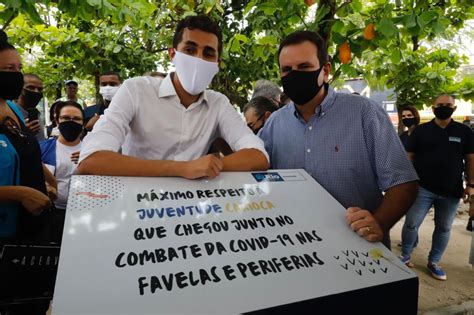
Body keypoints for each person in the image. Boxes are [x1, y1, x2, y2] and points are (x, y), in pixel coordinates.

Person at [259, 30, 419, 248]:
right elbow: (253, 171)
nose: (294, 75)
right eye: (287, 70)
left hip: (359, 248)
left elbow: (403, 182)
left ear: (325, 70)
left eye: (304, 67)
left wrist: (379, 222)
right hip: (296, 246)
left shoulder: (365, 113)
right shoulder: (275, 124)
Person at [77, 15, 268, 178]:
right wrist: (183, 168)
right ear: (172, 54)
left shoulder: (218, 103)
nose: (198, 59)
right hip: (135, 206)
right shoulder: (135, 90)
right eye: (190, 50)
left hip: (191, 209)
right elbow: (91, 160)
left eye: (208, 53)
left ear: (218, 63)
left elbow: (258, 156)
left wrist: (214, 164)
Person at [0, 29, 53, 315]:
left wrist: (49, 181)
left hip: (30, 230)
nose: (17, 76)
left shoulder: (13, 109)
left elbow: (28, 152)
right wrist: (20, 193)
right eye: (9, 69)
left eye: (19, 69)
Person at [400, 94, 474, 281]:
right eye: (440, 105)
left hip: (451, 191)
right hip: (422, 188)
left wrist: (471, 184)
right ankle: (405, 256)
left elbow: (471, 159)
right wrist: (407, 180)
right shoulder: (421, 131)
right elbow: (409, 156)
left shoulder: (464, 131)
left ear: (454, 108)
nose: (444, 107)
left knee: (443, 228)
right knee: (411, 223)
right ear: (433, 108)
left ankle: (434, 262)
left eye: (448, 105)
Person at [40, 101, 83, 243]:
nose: (71, 122)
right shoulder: (42, 149)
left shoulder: (93, 150)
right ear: (57, 121)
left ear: (83, 123)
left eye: (76, 119)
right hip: (52, 214)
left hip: (83, 215)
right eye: (65, 118)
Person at [14, 73, 46, 141]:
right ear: (20, 89)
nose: (36, 91)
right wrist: (23, 135)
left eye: (40, 89)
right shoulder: (10, 113)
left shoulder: (37, 114)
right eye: (31, 88)